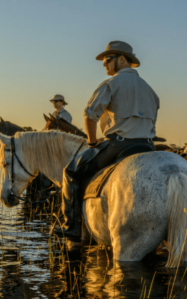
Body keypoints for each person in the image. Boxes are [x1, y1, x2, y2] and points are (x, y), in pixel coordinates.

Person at [54, 40, 160, 240]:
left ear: (121, 59)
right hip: (147, 145)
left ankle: (72, 227)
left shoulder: (111, 84)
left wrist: (93, 142)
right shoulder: (150, 89)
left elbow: (90, 115)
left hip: (118, 144)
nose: (104, 64)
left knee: (70, 172)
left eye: (107, 60)